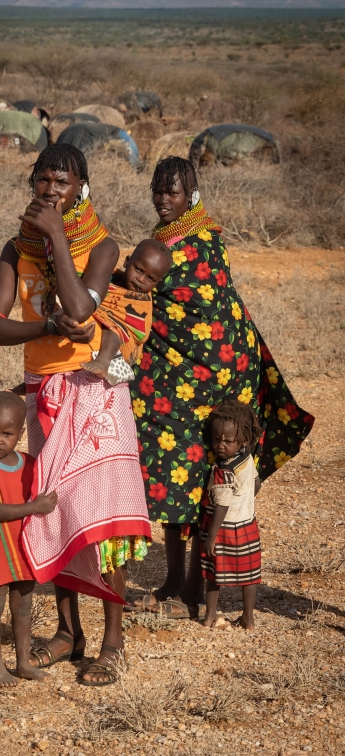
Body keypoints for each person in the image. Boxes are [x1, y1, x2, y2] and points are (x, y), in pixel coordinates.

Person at [0, 144, 151, 686]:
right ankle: (66, 631)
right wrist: (44, 329)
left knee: (103, 515)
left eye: (64, 181)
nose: (52, 190)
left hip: (96, 390)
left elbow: (81, 308)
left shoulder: (103, 245)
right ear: (33, 182)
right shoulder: (15, 250)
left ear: (81, 187)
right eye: (44, 180)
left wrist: (57, 237)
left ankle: (113, 640)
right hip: (42, 393)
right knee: (54, 511)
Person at [132, 156, 314, 618]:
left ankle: (194, 587)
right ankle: (175, 580)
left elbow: (206, 304)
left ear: (191, 194)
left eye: (171, 192)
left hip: (218, 377)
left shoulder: (205, 240)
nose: (162, 199)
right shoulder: (163, 239)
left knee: (207, 482)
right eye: (157, 190)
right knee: (174, 471)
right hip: (175, 380)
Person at [0, 391, 58, 687]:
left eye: (6, 433)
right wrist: (35, 507)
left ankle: (22, 662)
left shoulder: (29, 464)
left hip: (24, 551)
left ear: (19, 434)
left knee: (22, 608)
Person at [200, 400, 262, 631]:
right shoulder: (246, 459)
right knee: (250, 575)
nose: (220, 445)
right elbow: (256, 485)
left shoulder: (222, 471)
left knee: (214, 573)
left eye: (228, 441)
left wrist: (211, 537)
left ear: (243, 440)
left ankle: (210, 614)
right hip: (247, 524)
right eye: (217, 439)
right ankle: (248, 618)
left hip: (224, 529)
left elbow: (222, 505)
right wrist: (245, 502)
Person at [81, 238, 172, 385]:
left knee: (115, 328)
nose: (141, 279)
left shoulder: (141, 301)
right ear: (127, 261)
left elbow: (140, 330)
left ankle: (103, 361)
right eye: (139, 270)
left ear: (158, 283)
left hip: (122, 345)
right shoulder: (109, 277)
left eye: (150, 278)